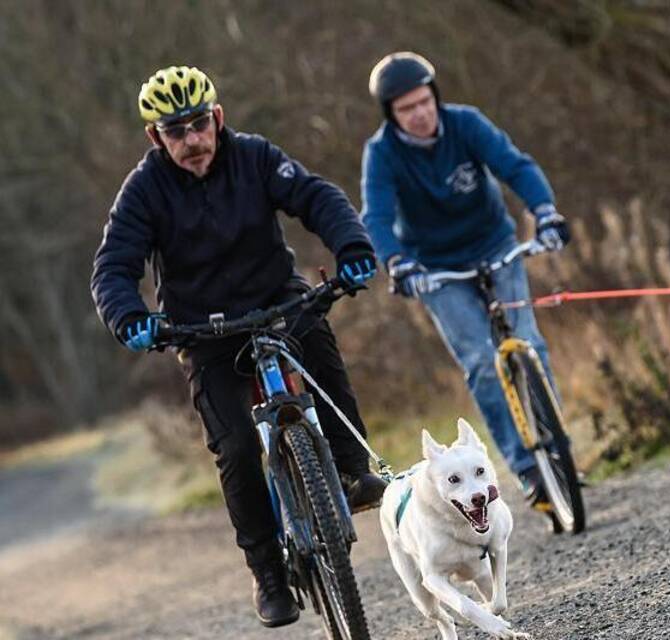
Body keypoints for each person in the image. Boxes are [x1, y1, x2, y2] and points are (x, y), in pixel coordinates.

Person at [91, 65, 386, 628]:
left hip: (277, 301)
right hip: (202, 332)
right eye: (176, 131)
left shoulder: (254, 156)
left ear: (218, 118)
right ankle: (268, 572)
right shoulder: (143, 191)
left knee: (319, 347)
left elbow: (315, 196)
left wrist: (350, 245)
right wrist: (130, 317)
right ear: (156, 137)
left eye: (199, 124)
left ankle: (351, 469)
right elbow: (113, 266)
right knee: (235, 449)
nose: (192, 140)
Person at [360, 52, 571, 512]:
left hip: (496, 245)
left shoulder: (466, 124)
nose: (420, 113)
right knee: (480, 360)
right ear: (391, 114)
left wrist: (545, 211)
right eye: (406, 108)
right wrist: (397, 262)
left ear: (435, 96)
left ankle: (558, 450)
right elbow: (375, 215)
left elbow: (515, 166)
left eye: (424, 101)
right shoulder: (382, 154)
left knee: (528, 341)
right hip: (435, 268)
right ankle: (527, 469)